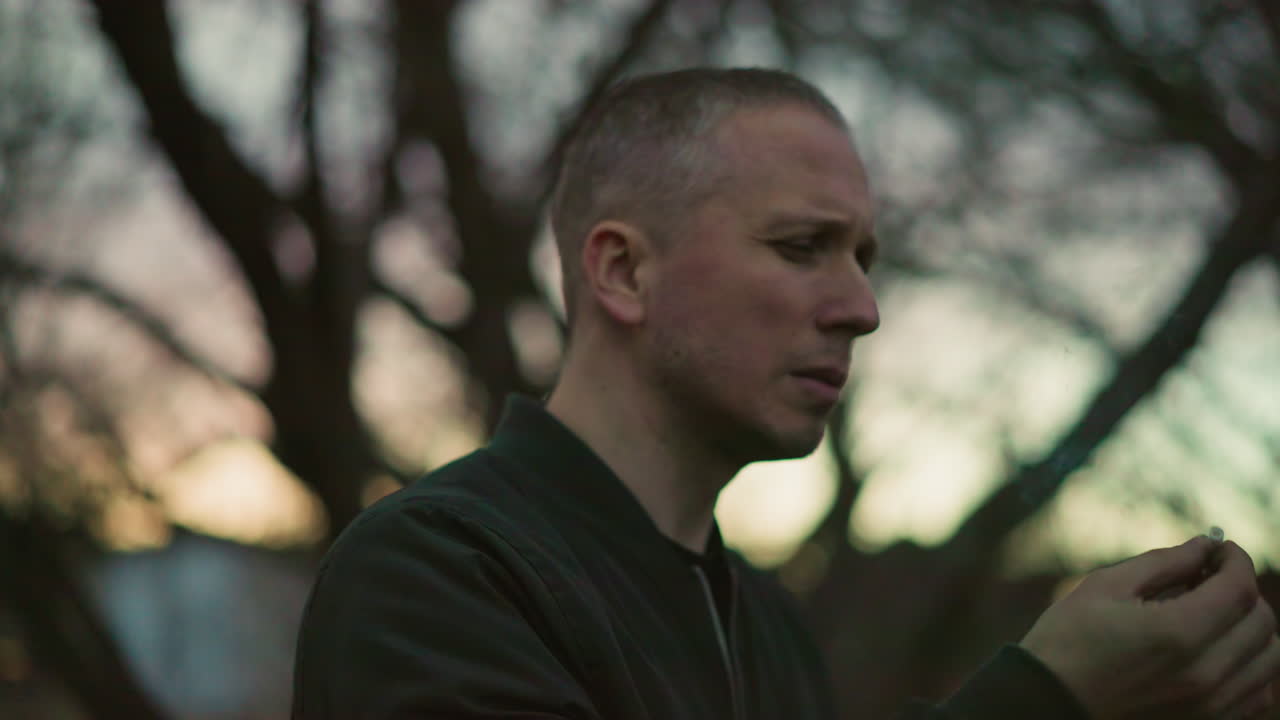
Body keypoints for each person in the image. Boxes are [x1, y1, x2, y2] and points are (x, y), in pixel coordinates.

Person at [290, 68, 1279, 719]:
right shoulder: (437, 573)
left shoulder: (766, 626)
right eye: (801, 247)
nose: (860, 307)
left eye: (863, 258)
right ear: (623, 273)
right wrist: (1045, 699)